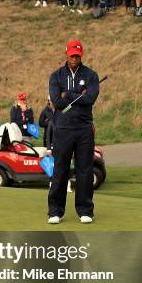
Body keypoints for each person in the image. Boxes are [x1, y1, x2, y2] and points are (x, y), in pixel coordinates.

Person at [48, 39, 100, 224]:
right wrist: (79, 94)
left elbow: (91, 99)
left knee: (84, 169)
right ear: (67, 54)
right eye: (72, 55)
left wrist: (68, 95)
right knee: (60, 169)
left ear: (81, 55)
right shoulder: (56, 76)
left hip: (84, 128)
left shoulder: (91, 75)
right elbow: (56, 101)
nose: (74, 58)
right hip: (63, 128)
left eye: (77, 55)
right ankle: (55, 211)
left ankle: (85, 210)